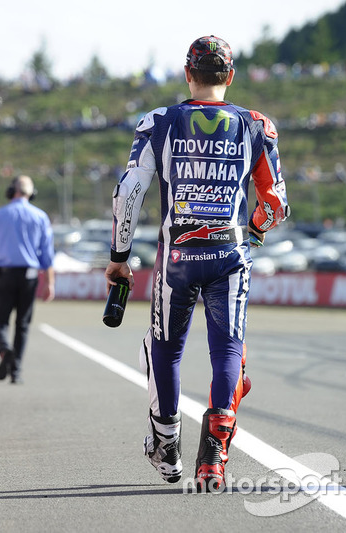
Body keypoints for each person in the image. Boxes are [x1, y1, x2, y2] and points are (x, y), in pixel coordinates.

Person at [104, 36, 289, 491]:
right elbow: (276, 202)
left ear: (188, 74)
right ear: (230, 76)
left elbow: (128, 193)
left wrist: (119, 259)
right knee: (228, 350)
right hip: (230, 255)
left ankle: (168, 451)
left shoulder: (159, 121)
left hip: (178, 258)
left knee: (165, 349)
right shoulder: (257, 125)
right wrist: (257, 227)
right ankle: (214, 457)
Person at [0, 175, 56, 384]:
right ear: (32, 194)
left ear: (10, 191)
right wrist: (50, 283)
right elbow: (47, 254)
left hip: (4, 274)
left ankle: (5, 350)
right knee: (22, 324)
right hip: (29, 276)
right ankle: (17, 372)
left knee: (0, 321)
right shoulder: (40, 216)